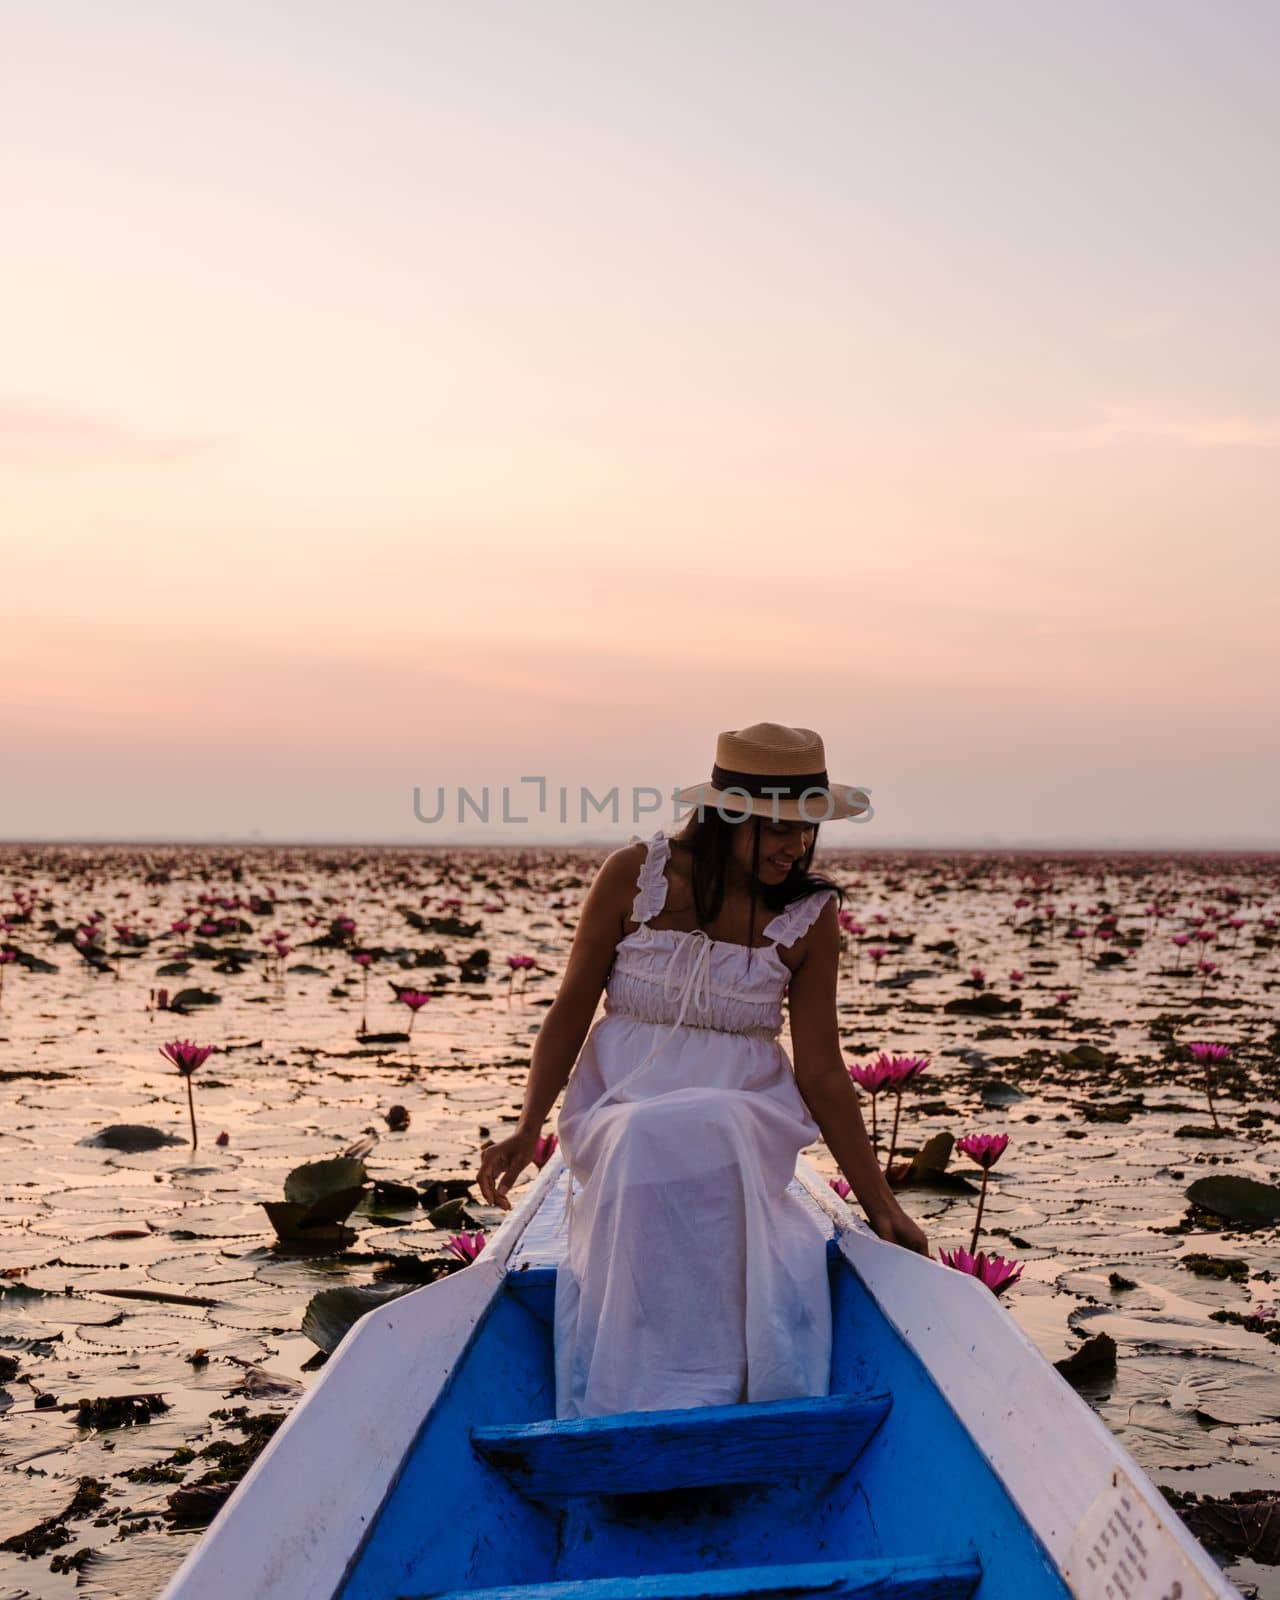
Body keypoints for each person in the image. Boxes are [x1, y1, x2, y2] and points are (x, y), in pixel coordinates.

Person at [477, 721, 929, 1420]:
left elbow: (823, 1073)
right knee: (640, 1137)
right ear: (726, 816)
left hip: (744, 1108)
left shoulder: (809, 916)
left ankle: (715, 1397)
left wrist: (882, 1205)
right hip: (619, 1102)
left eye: (807, 828)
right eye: (779, 827)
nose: (796, 846)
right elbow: (571, 1007)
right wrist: (527, 1126)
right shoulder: (635, 875)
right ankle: (631, 1405)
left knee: (710, 1123)